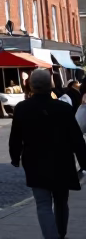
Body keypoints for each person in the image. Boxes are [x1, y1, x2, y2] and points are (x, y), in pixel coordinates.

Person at [10, 68, 86, 239]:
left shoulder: (22, 108)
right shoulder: (63, 108)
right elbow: (76, 138)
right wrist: (84, 160)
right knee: (61, 201)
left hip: (35, 162)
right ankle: (60, 233)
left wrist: (15, 157)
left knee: (43, 204)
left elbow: (15, 137)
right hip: (62, 161)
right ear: (51, 85)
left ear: (31, 86)